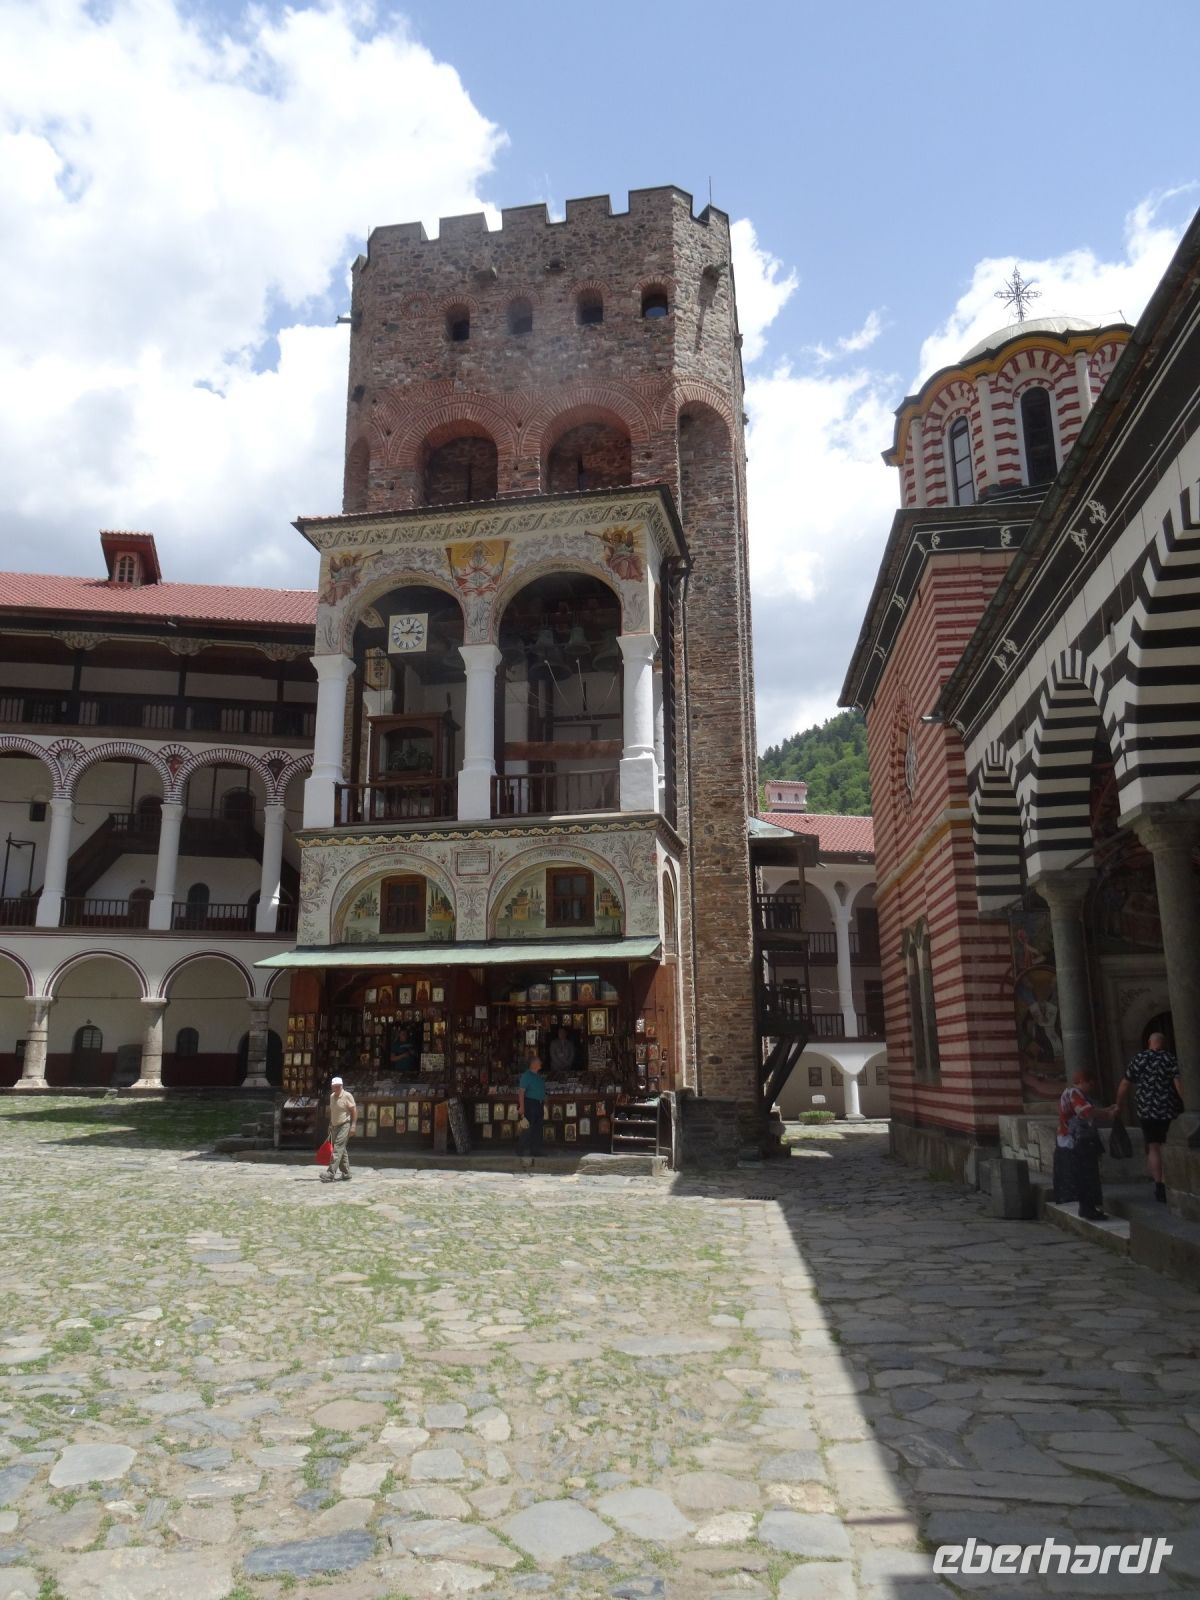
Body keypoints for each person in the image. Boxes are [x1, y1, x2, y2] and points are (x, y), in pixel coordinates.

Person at [1117, 1031, 1185, 1203]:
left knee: (1153, 1147)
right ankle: (1167, 1181)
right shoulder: (1170, 1059)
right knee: (1165, 1145)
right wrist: (1190, 1106)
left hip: (1146, 1109)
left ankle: (1159, 1186)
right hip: (1167, 1109)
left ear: (1149, 1043)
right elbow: (1178, 1085)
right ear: (1163, 1043)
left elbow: (1125, 1082)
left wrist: (1119, 1103)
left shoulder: (1139, 1058)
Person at [1056, 1070, 1114, 1221]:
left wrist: (1106, 1110)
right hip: (1078, 1140)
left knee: (1086, 1174)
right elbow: (1084, 1111)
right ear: (1082, 1081)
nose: (1092, 1087)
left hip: (1077, 1140)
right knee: (1086, 1175)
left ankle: (1088, 1207)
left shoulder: (1074, 1093)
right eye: (1090, 1083)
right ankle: (1088, 1208)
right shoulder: (1074, 1093)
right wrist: (1106, 1114)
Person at [322, 1074, 357, 1183]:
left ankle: (330, 1173)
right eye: (334, 1086)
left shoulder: (347, 1096)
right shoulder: (332, 1096)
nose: (336, 1088)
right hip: (334, 1126)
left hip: (344, 1125)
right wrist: (330, 1125)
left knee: (337, 1148)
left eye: (338, 1086)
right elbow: (333, 1112)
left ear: (341, 1086)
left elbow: (354, 1111)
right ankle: (346, 1173)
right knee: (342, 1149)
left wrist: (353, 1125)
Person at [517, 1054, 546, 1169]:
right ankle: (520, 1149)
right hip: (530, 1104)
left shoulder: (538, 1076)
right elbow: (521, 1092)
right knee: (528, 1127)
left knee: (538, 1128)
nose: (541, 1063)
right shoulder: (526, 1075)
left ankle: (536, 1150)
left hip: (539, 1104)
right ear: (533, 1064)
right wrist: (522, 1107)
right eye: (539, 1061)